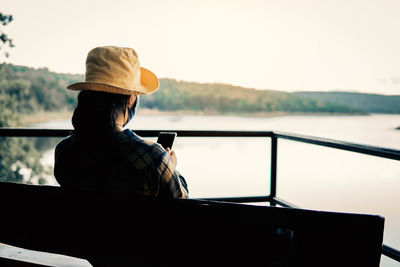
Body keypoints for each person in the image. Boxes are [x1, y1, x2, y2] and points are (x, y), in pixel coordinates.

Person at [54, 46, 188, 198]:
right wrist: (170, 166)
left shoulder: (64, 151)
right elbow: (182, 204)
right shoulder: (154, 157)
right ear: (130, 99)